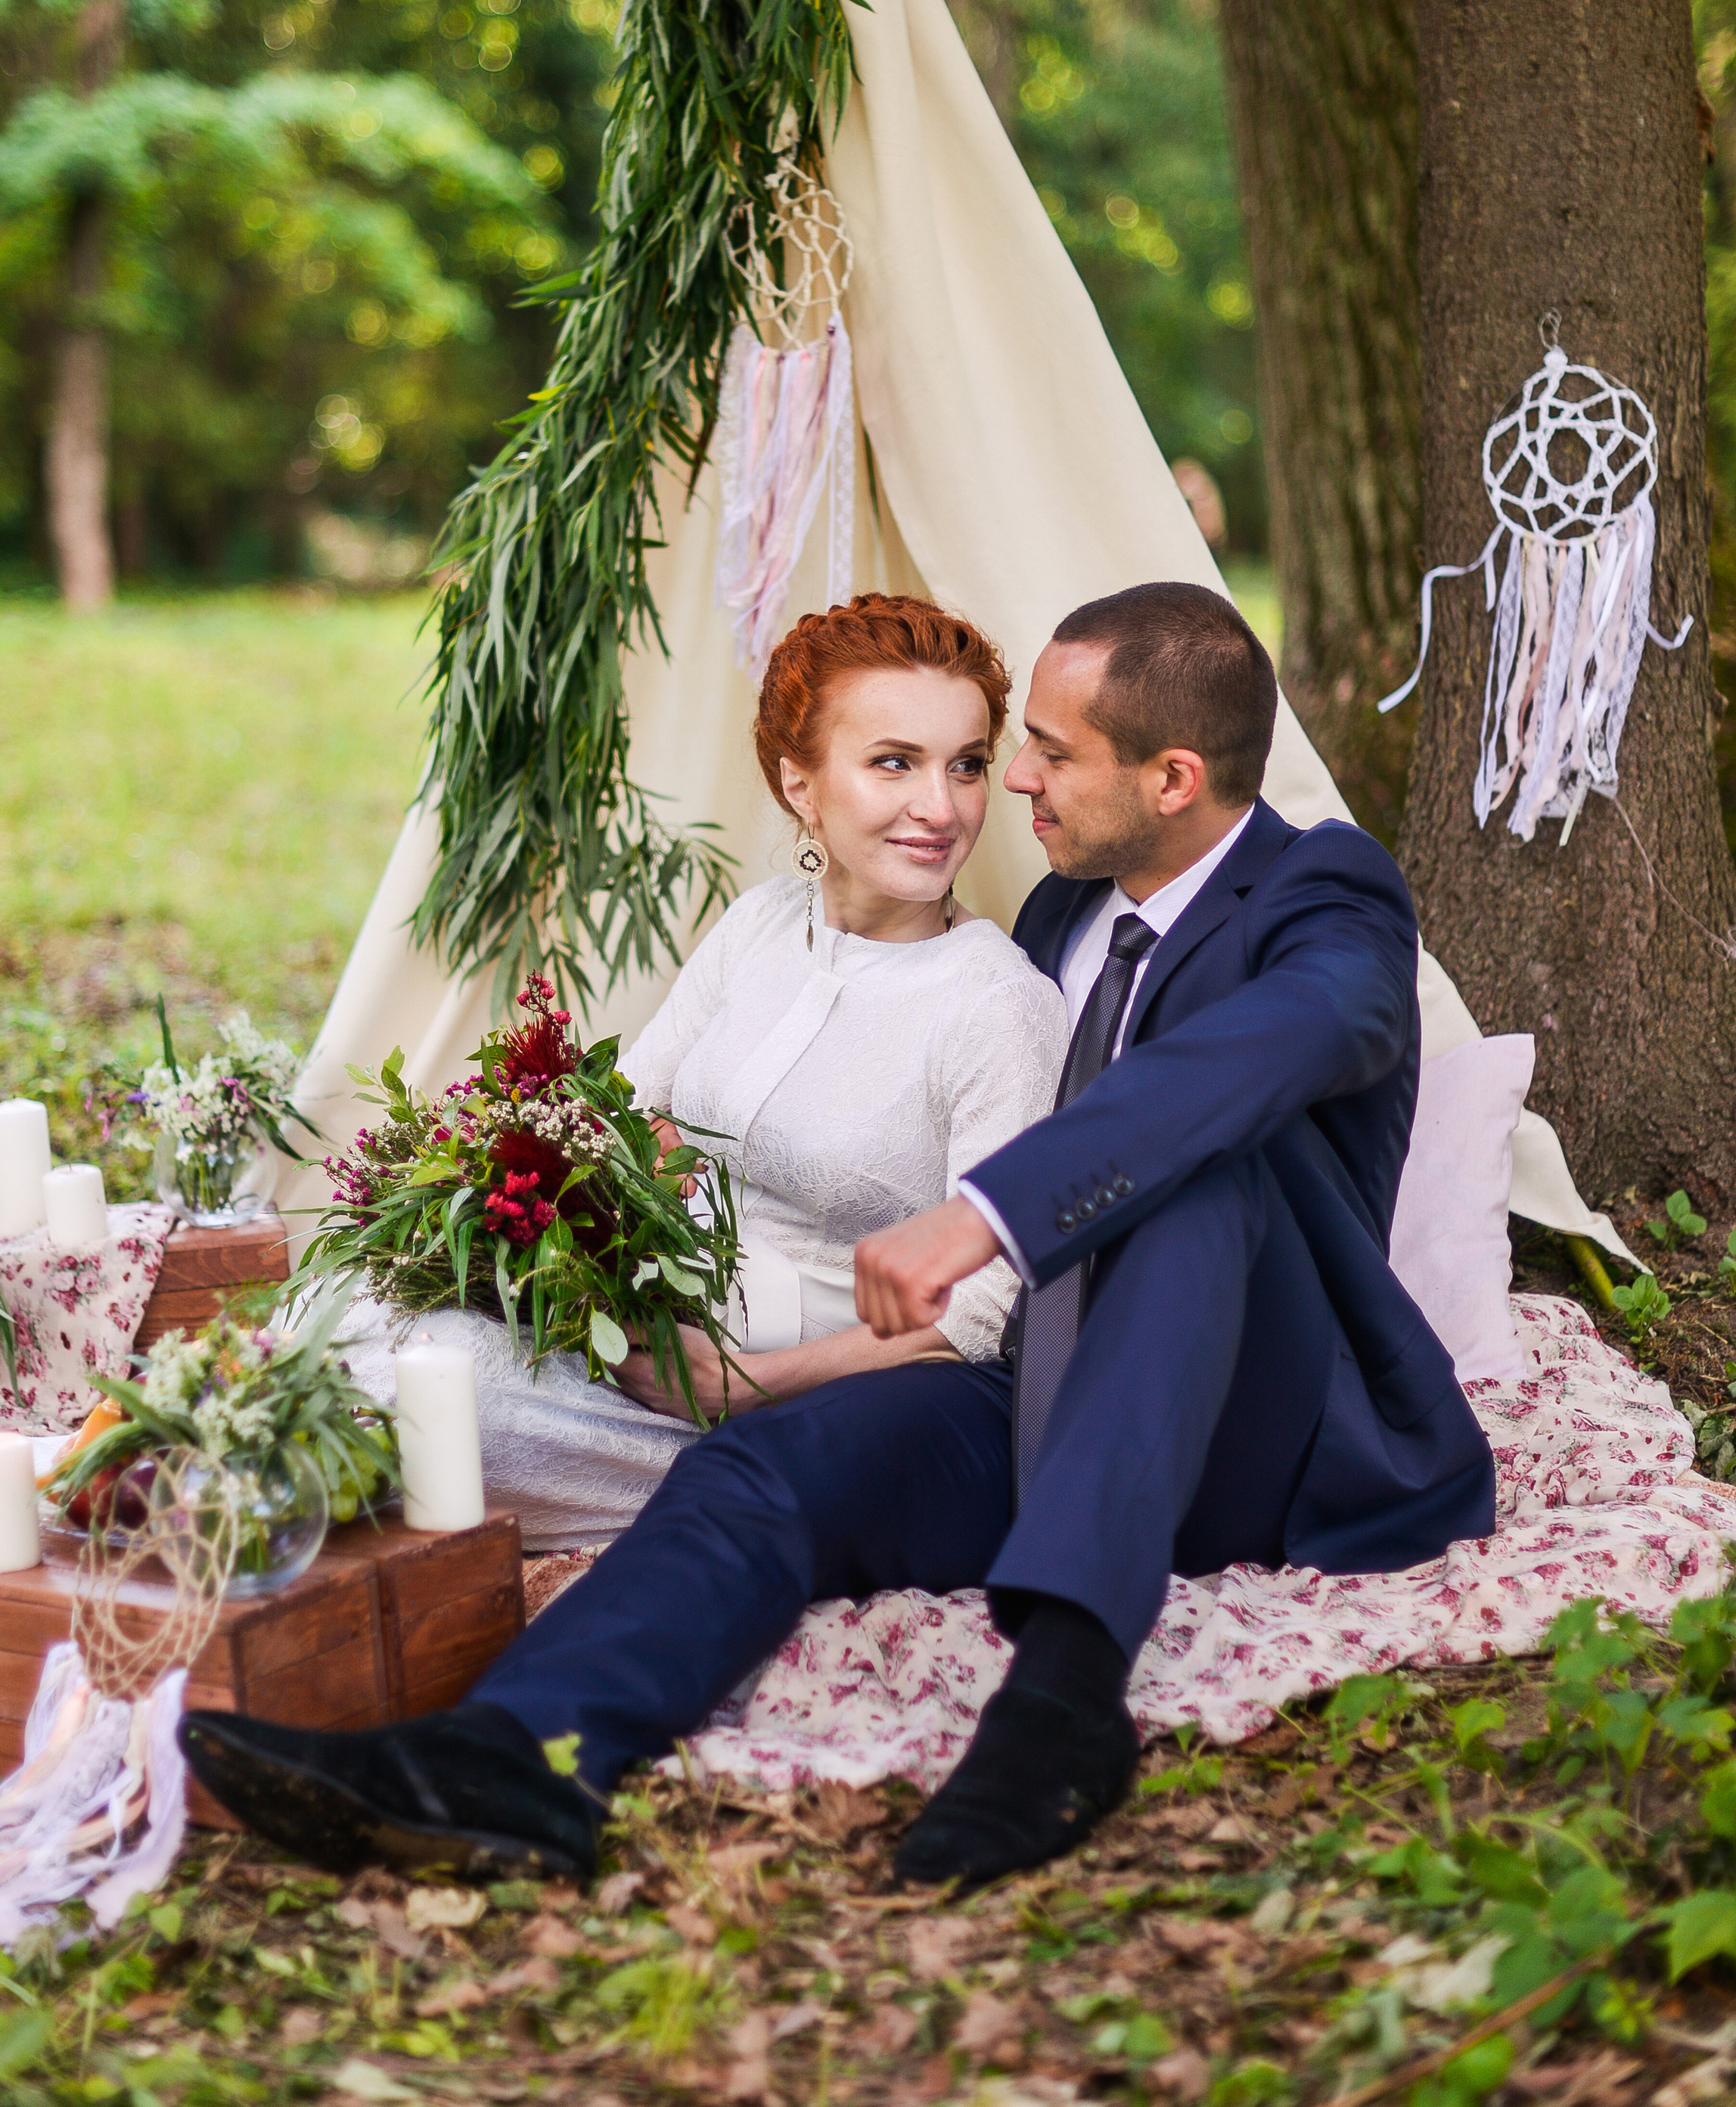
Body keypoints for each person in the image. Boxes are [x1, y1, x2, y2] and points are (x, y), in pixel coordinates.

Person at [183, 581, 1496, 1893]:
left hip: (1241, 1416)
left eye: (1031, 751)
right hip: (1012, 1392)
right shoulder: (1061, 912)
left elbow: (1282, 1040)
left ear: (1173, 776)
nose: (1007, 784)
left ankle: (1063, 1701)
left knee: (1201, 1170)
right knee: (758, 1466)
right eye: (1001, 748)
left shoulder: (1325, 892)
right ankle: (518, 1759)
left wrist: (991, 1209)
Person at [332, 591, 1066, 1546]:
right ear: (799, 784)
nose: (941, 807)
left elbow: (979, 1319)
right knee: (356, 1305)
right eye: (894, 762)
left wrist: (739, 1388)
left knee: (427, 1390)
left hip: (800, 1404)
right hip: (649, 1329)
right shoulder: (763, 924)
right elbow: (625, 1111)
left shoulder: (997, 1006)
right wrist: (537, 1245)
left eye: (965, 766)